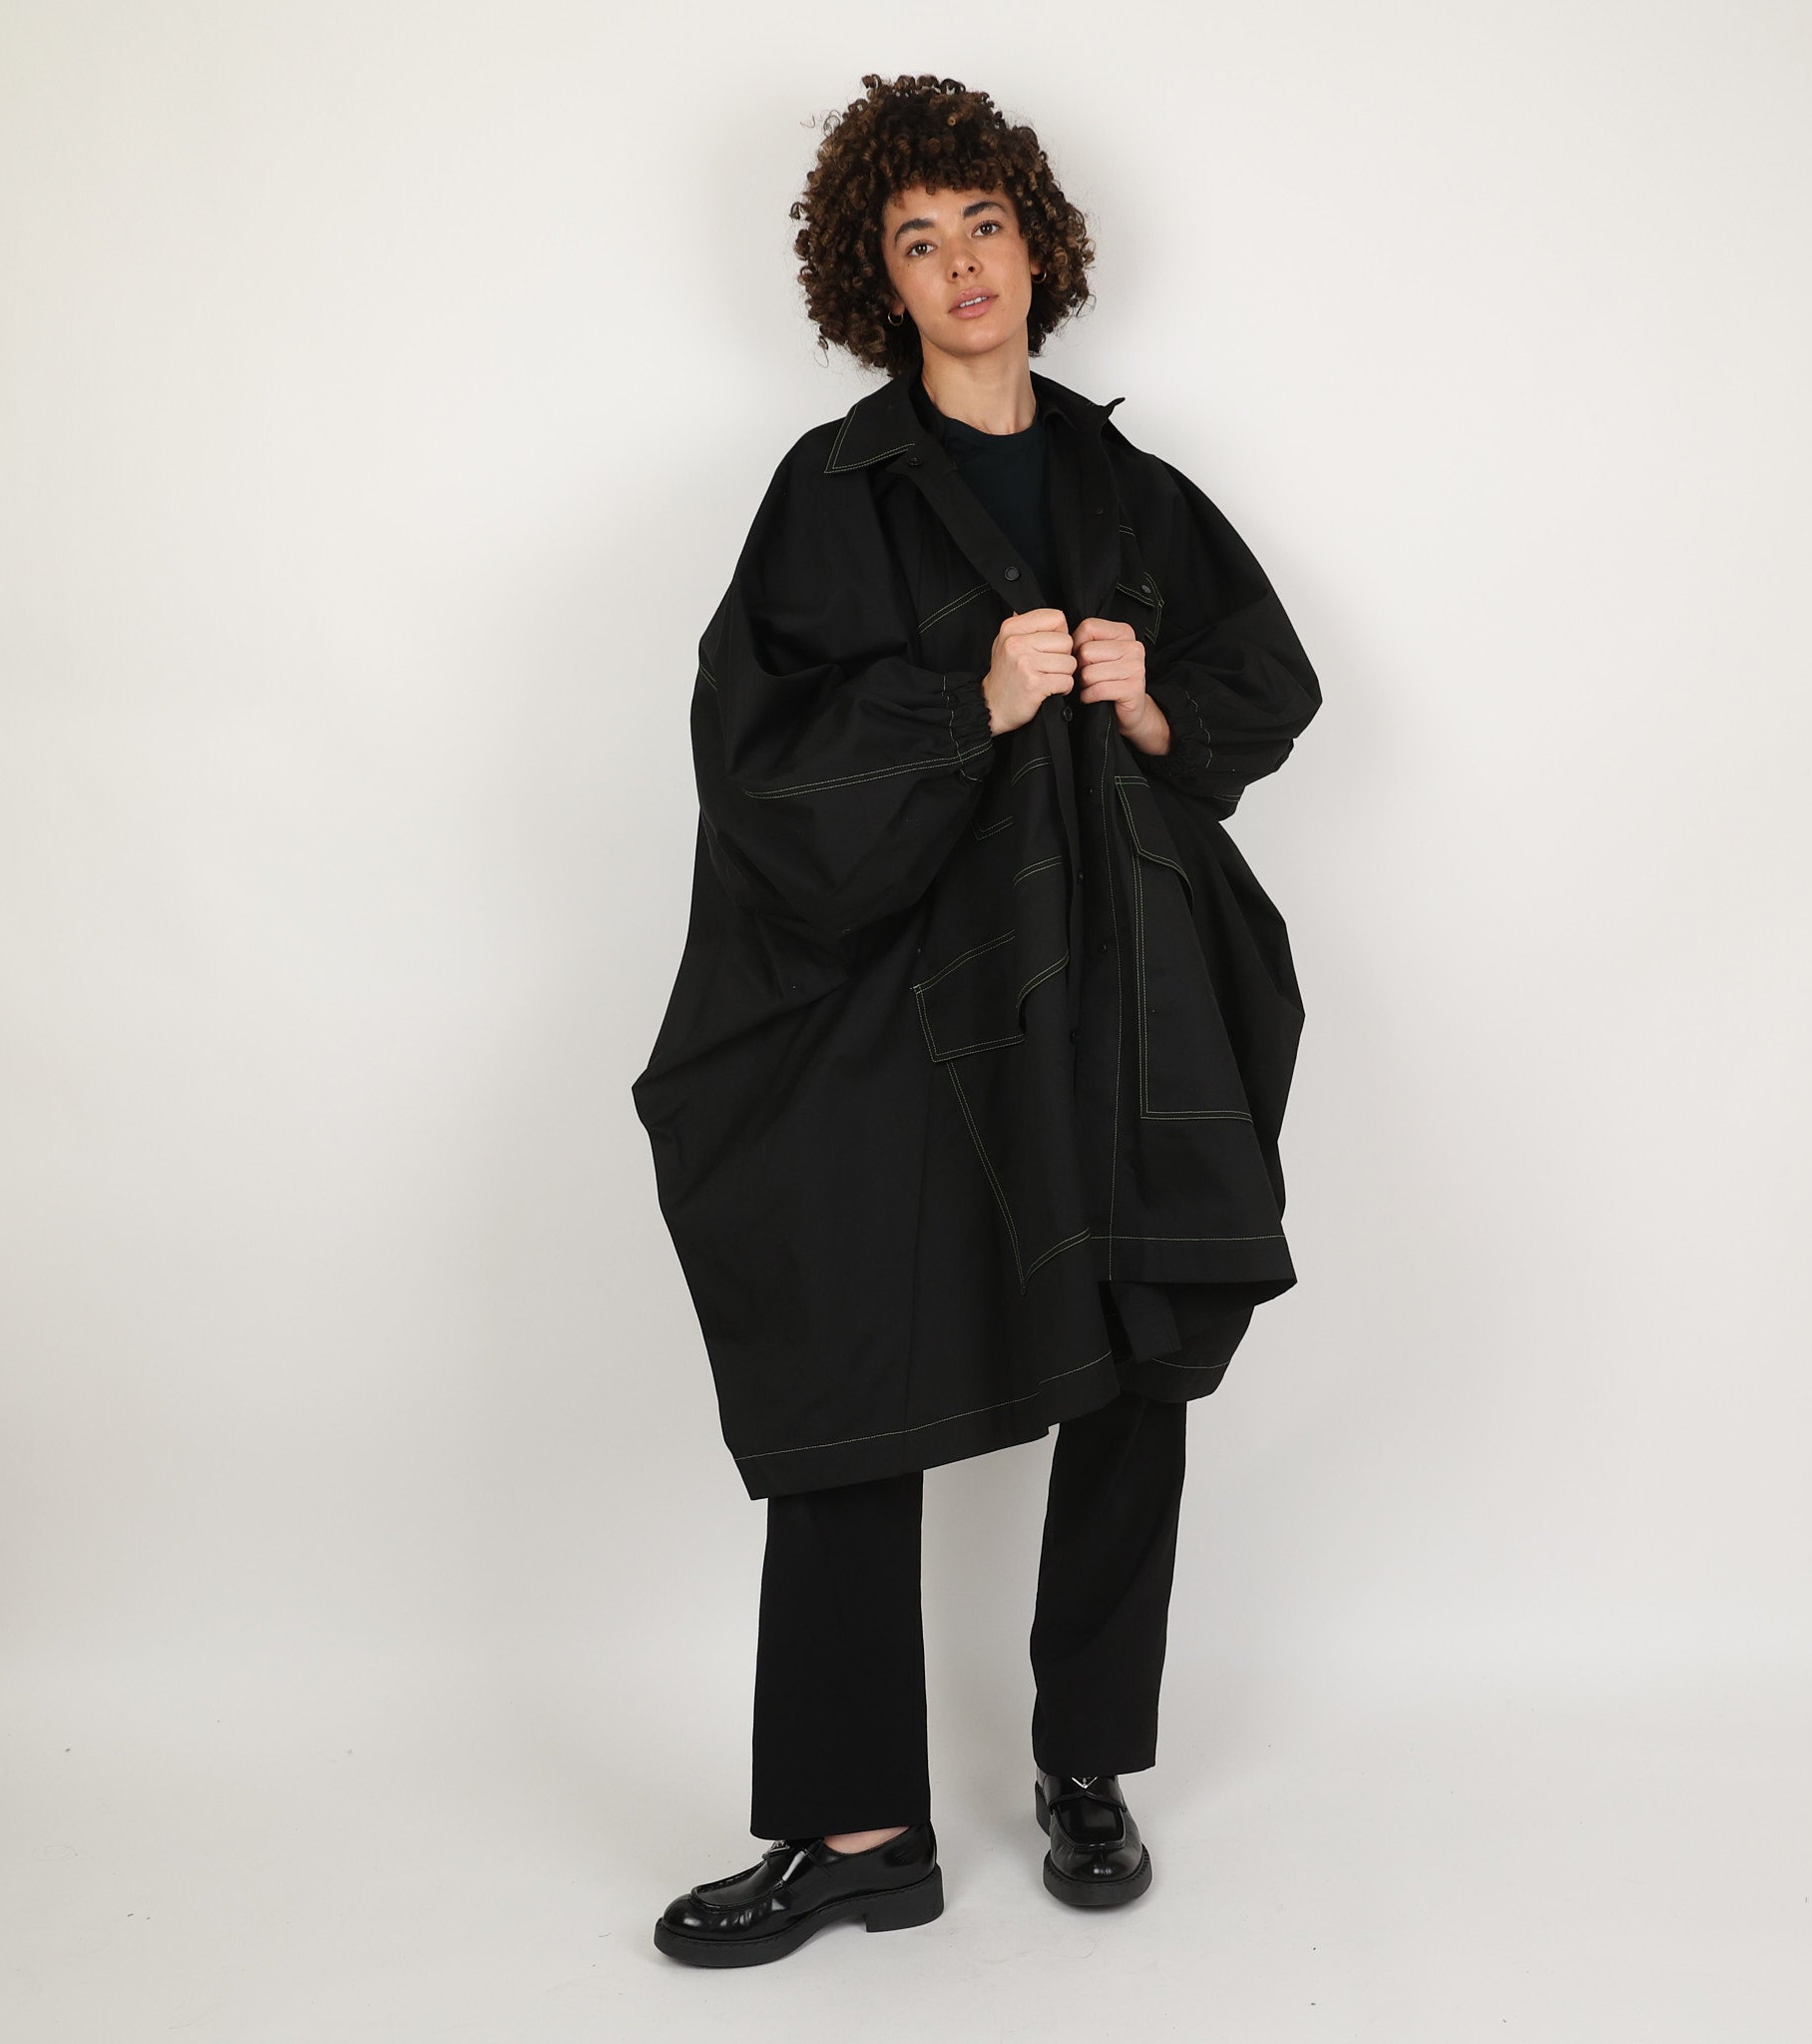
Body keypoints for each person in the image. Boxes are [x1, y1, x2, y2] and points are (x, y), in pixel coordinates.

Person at [635, 72, 1321, 1967]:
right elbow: (753, 764)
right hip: (904, 1012)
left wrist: (1155, 700)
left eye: (985, 225)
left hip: (1120, 999)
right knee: (854, 1363)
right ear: (879, 281)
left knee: (1138, 1361)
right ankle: (862, 1829)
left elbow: (1265, 678)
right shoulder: (831, 495)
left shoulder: (1133, 491)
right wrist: (973, 698)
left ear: (1037, 242)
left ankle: (1088, 1765)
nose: (962, 266)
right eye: (918, 239)